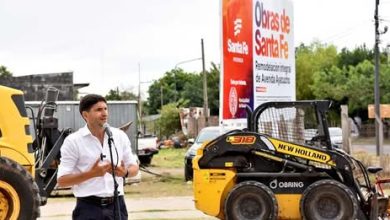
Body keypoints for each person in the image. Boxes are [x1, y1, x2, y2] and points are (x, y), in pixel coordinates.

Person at [57, 94, 139, 220]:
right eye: (98, 110)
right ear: (85, 115)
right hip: (88, 208)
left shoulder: (119, 136)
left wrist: (125, 172)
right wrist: (91, 174)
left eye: (105, 109)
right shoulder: (73, 141)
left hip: (117, 205)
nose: (104, 113)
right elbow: (62, 181)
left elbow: (134, 168)